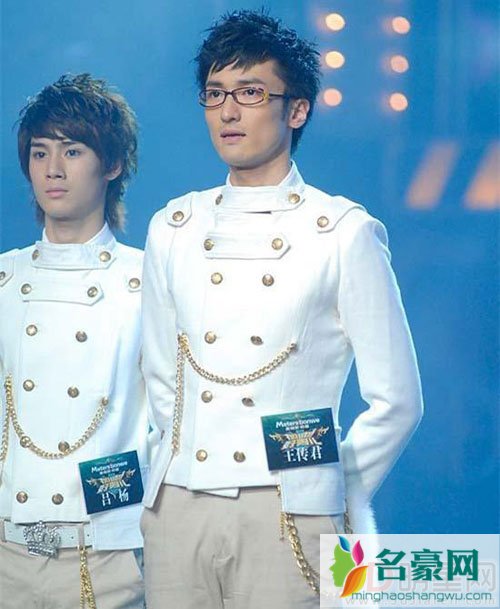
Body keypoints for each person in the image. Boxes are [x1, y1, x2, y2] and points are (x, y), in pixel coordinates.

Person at [141, 9, 423, 609]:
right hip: (179, 503)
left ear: (297, 110)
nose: (228, 111)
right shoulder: (174, 226)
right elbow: (162, 378)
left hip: (292, 508)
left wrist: (336, 490)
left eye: (250, 92)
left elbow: (398, 400)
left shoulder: (342, 232)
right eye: (215, 93)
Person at [0, 73, 152, 609]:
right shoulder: (5, 278)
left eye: (72, 151)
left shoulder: (147, 281)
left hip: (108, 554)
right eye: (40, 153)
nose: (53, 170)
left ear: (112, 164)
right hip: (7, 551)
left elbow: (174, 421)